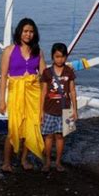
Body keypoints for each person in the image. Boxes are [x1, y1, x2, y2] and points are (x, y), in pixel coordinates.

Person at [0, 18, 46, 172]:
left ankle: (24, 160)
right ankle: (7, 162)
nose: (28, 34)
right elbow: (4, 76)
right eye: (25, 31)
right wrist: (1, 101)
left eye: (31, 31)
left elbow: (45, 78)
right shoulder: (9, 50)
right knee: (14, 129)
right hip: (15, 94)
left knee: (30, 128)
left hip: (33, 95)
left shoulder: (38, 52)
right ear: (19, 32)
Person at [40, 43, 78, 172]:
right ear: (52, 57)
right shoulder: (46, 72)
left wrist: (75, 111)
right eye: (57, 57)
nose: (60, 59)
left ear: (66, 57)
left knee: (61, 137)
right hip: (49, 110)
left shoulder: (69, 71)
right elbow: (43, 92)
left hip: (66, 110)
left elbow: (72, 91)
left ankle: (58, 162)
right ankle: (47, 162)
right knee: (48, 136)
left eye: (63, 57)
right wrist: (41, 112)